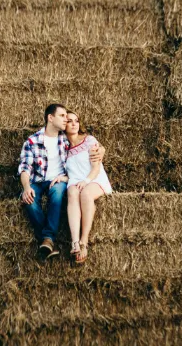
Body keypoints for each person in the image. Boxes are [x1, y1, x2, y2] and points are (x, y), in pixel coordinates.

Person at [17, 103, 104, 260]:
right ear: (51, 118)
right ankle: (48, 239)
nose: (66, 120)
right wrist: (26, 187)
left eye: (67, 117)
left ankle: (48, 239)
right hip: (37, 181)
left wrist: (101, 150)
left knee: (57, 194)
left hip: (58, 180)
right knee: (29, 200)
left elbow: (86, 144)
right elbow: (24, 168)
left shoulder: (65, 140)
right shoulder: (32, 141)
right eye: (62, 116)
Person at [64, 111, 112, 265]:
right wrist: (61, 178)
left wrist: (86, 181)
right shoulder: (62, 147)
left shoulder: (89, 141)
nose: (74, 124)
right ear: (63, 125)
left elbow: (96, 168)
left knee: (85, 194)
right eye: (70, 121)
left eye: (76, 121)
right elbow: (69, 171)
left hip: (94, 178)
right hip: (75, 181)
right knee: (72, 192)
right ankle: (75, 242)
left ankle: (84, 241)